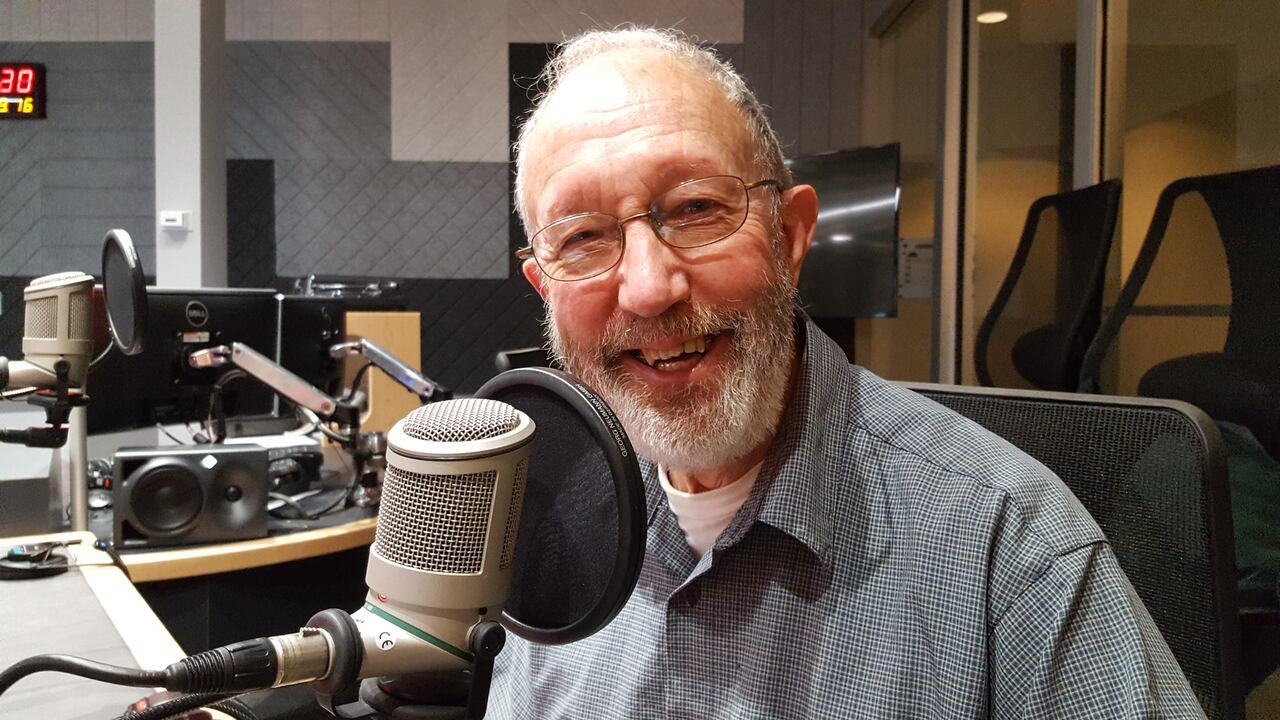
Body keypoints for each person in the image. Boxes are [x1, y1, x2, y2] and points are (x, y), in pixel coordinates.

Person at [490, 26, 1205, 719]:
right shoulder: (544, 524)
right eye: (582, 238)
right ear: (545, 290)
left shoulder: (1012, 543)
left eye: (697, 209)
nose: (648, 287)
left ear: (791, 236)